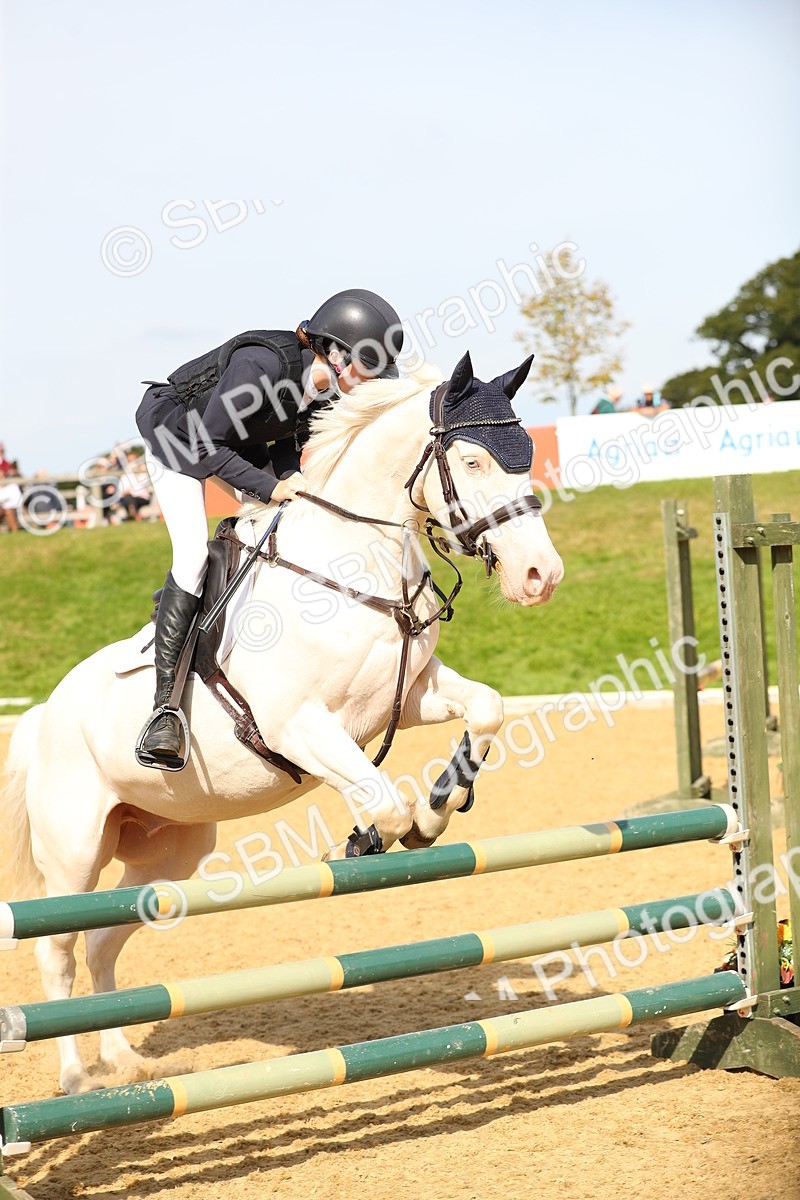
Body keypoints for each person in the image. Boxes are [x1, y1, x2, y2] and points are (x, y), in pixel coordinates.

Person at [134, 288, 404, 769]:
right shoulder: (260, 366)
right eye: (370, 368)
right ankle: (165, 710)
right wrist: (271, 487)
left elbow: (282, 449)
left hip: (232, 441)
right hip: (178, 436)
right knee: (192, 557)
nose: (374, 383)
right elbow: (206, 445)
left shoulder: (322, 394)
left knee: (290, 522)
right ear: (337, 355)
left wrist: (294, 488)